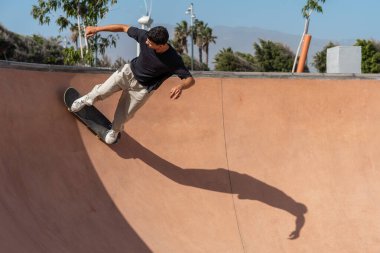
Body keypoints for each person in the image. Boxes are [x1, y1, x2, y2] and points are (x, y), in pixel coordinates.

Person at [70, 24, 195, 144]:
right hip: (127, 73)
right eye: (147, 40)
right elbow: (123, 27)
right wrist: (97, 29)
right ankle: (86, 99)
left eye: (150, 43)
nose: (146, 43)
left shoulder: (173, 59)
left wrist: (181, 86)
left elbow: (190, 79)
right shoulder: (145, 36)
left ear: (161, 46)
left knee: (123, 115)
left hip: (142, 89)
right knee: (102, 91)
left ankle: (114, 131)